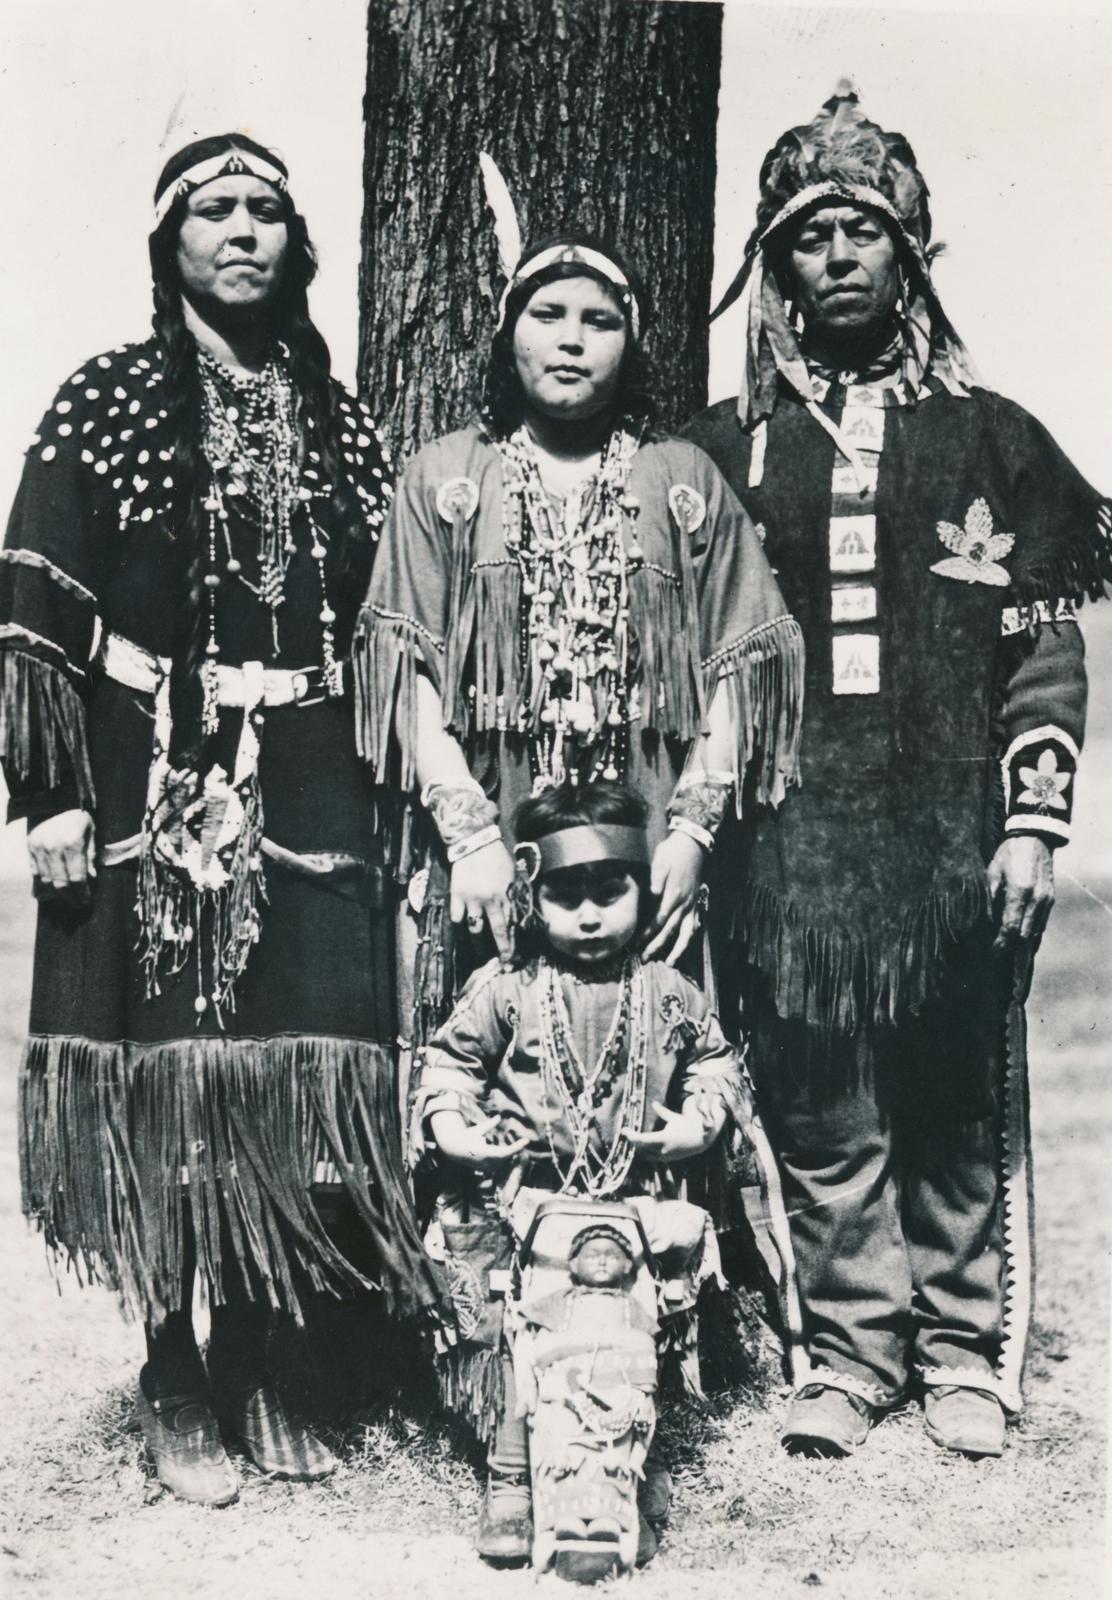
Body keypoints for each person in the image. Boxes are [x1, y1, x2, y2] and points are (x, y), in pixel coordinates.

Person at [0, 132, 437, 1506]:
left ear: (296, 245)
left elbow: (387, 622)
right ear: (170, 243)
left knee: (277, 1078)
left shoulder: (341, 422)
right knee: (164, 1074)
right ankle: (170, 1371)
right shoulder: (107, 400)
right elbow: (32, 614)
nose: (243, 232)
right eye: (215, 211)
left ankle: (255, 1355)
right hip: (149, 766)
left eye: (265, 212)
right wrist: (52, 796)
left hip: (309, 771)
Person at [684, 86, 1109, 1460]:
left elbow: (1043, 646)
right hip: (789, 850)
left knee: (950, 1101)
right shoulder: (717, 452)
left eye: (863, 232)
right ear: (776, 265)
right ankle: (851, 1354)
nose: (839, 258)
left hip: (949, 841)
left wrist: (1031, 824)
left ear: (910, 254)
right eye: (810, 238)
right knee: (819, 1112)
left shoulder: (992, 438)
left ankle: (964, 1351)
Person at [354, 228, 803, 1042]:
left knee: (651, 1058)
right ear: (508, 333)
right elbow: (405, 670)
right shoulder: (446, 477)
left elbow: (740, 669)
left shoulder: (682, 478)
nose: (571, 340)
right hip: (489, 836)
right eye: (548, 315)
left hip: (646, 839)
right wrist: (470, 837)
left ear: (630, 344)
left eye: (599, 321)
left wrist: (693, 833)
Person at [411, 779, 752, 1562]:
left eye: (610, 894)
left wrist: (695, 1124)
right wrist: (455, 1130)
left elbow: (716, 1064)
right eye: (566, 898)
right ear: (532, 900)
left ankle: (632, 1461)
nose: (590, 916)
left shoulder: (667, 992)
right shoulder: (506, 993)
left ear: (642, 888)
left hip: (632, 1198)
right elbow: (448, 1067)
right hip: (522, 1201)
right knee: (511, 1331)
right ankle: (509, 1477)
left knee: (640, 1327)